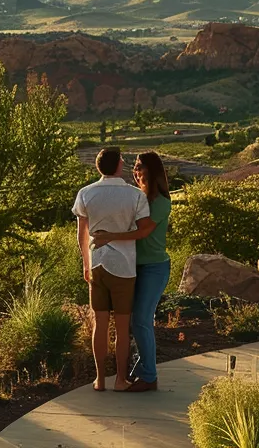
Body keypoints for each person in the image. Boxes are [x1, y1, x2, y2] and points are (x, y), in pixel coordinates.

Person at [74, 147, 155, 392]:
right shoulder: (135, 196)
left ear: (99, 167)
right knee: (122, 327)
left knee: (100, 324)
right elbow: (143, 230)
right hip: (124, 267)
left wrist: (86, 264)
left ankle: (100, 379)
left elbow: (82, 234)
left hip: (97, 263)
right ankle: (120, 379)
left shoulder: (86, 193)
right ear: (119, 165)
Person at [93, 151, 171, 392]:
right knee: (128, 321)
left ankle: (149, 376)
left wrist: (111, 237)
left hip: (154, 268)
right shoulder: (136, 198)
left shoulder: (160, 202)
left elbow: (142, 232)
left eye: (140, 166)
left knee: (141, 321)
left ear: (152, 170)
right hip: (130, 266)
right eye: (134, 166)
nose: (135, 171)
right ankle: (133, 371)